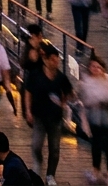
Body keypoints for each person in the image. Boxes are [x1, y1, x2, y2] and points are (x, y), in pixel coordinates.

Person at [24, 44, 72, 184]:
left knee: (55, 147)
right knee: (36, 145)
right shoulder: (36, 75)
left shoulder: (61, 77)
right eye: (52, 59)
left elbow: (68, 93)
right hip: (39, 116)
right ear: (45, 60)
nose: (55, 62)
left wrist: (63, 103)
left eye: (57, 59)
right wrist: (28, 110)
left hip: (55, 117)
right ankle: (38, 163)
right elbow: (28, 92)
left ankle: (50, 174)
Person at [78, 56, 108, 186]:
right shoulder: (85, 83)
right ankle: (96, 170)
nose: (96, 69)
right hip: (95, 119)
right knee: (96, 145)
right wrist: (95, 104)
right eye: (93, 66)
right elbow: (83, 100)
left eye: (98, 66)